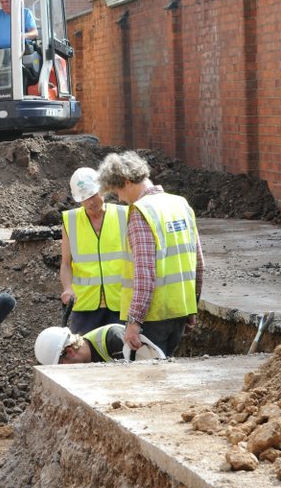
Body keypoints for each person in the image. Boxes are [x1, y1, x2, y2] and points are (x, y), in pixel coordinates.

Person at [97, 151, 203, 357]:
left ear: (127, 181)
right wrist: (192, 308)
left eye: (118, 190)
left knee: (150, 380)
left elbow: (145, 273)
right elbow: (198, 263)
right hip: (180, 311)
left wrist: (134, 322)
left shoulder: (141, 211)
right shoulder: (180, 204)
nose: (119, 198)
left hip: (153, 317)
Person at [59, 167, 128, 333]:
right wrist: (67, 288)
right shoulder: (71, 221)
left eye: (93, 195)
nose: (90, 202)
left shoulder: (124, 215)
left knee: (120, 355)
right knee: (82, 353)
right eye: (84, 198)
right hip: (85, 306)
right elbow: (66, 264)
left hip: (120, 303)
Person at [34, 324, 165, 366]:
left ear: (70, 352)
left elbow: (145, 375)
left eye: (61, 365)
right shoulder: (86, 350)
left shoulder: (114, 340)